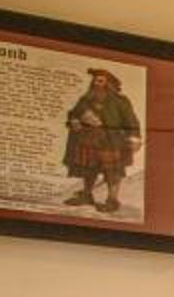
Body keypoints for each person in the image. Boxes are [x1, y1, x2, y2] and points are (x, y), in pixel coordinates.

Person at [61, 68, 142, 213]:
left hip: (111, 141)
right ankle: (87, 195)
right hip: (87, 140)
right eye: (94, 81)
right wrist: (74, 121)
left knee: (113, 171)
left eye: (100, 81)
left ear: (108, 84)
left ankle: (112, 200)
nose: (95, 83)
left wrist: (135, 137)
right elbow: (74, 113)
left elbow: (131, 121)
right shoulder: (85, 99)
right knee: (88, 169)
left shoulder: (120, 101)